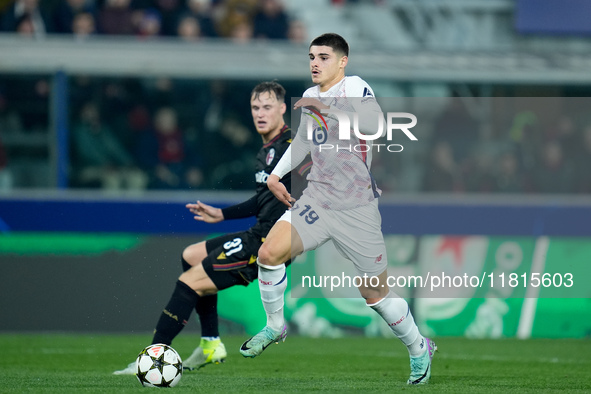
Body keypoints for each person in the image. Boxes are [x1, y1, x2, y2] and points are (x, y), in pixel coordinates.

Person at [239, 33, 437, 385]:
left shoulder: (357, 88)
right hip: (316, 199)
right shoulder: (311, 96)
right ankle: (274, 326)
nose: (315, 63)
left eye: (324, 57)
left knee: (374, 294)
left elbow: (376, 127)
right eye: (311, 56)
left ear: (342, 62)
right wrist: (276, 174)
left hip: (356, 207)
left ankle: (419, 347)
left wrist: (330, 110)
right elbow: (303, 141)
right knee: (269, 253)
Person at [114, 81, 310, 374]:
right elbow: (263, 202)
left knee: (189, 282)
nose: (260, 113)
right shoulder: (266, 149)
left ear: (282, 109)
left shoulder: (291, 146)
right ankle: (210, 344)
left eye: (267, 107)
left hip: (268, 242)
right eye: (255, 107)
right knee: (191, 255)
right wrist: (222, 214)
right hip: (258, 231)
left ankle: (153, 358)